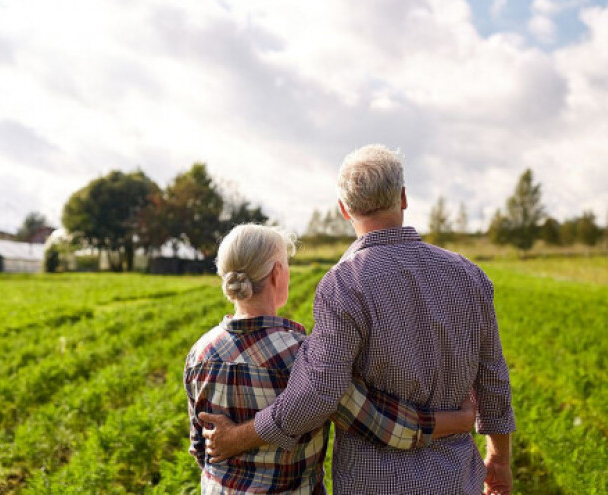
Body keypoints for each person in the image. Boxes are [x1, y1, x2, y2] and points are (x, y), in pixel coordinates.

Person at [201, 146, 516, 495]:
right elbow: (493, 377)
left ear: (344, 209)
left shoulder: (343, 284)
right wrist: (498, 459)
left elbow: (319, 393)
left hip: (373, 482)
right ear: (403, 198)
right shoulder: (469, 275)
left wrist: (237, 437)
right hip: (456, 477)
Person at [186, 223, 477, 494]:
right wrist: (455, 421)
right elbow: (379, 423)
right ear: (277, 273)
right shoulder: (305, 356)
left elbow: (200, 448)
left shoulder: (200, 353)